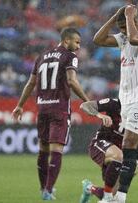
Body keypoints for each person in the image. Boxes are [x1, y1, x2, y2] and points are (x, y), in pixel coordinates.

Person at [93, 4, 138, 203]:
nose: (122, 31)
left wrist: (129, 17)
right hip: (127, 100)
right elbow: (97, 40)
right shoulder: (123, 37)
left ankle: (119, 197)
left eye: (124, 26)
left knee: (128, 143)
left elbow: (134, 38)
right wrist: (115, 16)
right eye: (120, 27)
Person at [11, 27, 89, 200]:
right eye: (76, 42)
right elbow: (71, 81)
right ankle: (48, 190)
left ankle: (43, 188)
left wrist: (20, 105)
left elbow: (31, 83)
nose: (77, 47)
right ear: (66, 40)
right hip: (59, 108)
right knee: (57, 151)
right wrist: (86, 100)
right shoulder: (70, 56)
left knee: (43, 150)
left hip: (43, 108)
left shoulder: (41, 57)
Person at [78, 98, 123, 203]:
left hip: (118, 153)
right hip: (99, 144)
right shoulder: (114, 103)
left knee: (114, 196)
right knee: (118, 156)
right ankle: (106, 196)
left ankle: (89, 188)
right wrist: (100, 115)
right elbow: (85, 106)